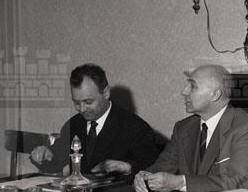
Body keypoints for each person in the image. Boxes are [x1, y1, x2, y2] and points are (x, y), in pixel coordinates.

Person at [133, 65, 248, 192]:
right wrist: (145, 177)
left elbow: (239, 181)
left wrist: (180, 183)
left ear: (215, 95)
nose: (184, 91)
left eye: (193, 86)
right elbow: (162, 167)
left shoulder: (246, 127)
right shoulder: (183, 128)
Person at [30, 64, 160, 175]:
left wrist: (128, 167)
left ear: (106, 93)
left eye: (88, 102)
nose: (82, 109)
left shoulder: (136, 127)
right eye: (76, 103)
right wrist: (45, 155)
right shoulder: (74, 124)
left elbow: (154, 166)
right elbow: (56, 159)